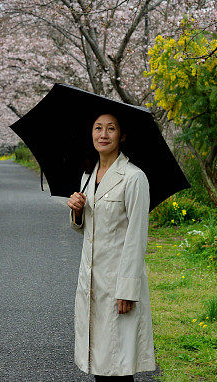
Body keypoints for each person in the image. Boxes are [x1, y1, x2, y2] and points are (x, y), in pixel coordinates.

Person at [66, 112, 156, 381]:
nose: (103, 135)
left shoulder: (133, 178)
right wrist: (77, 211)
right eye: (97, 128)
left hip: (118, 283)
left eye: (111, 129)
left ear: (122, 135)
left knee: (117, 366)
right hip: (92, 281)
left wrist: (127, 289)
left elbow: (137, 236)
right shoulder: (87, 174)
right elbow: (82, 227)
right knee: (98, 362)